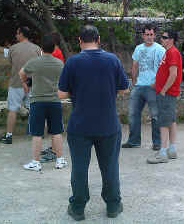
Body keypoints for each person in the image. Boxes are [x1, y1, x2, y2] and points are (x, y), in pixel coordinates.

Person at [58, 25, 129, 221]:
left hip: (80, 125)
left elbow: (62, 93)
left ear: (79, 41)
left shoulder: (72, 62)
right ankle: (113, 206)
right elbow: (124, 88)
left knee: (79, 168)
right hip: (108, 125)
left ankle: (78, 208)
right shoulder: (112, 60)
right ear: (98, 39)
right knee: (110, 167)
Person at [19, 35, 68, 171]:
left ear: (41, 48)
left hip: (37, 101)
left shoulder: (34, 62)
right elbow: (64, 81)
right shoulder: (59, 63)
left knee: (37, 133)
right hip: (54, 101)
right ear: (53, 49)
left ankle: (35, 162)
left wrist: (25, 82)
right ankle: (60, 160)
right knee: (57, 131)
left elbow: (21, 73)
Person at [0, 26, 42, 144]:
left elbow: (7, 57)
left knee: (12, 110)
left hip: (16, 83)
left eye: (17, 33)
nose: (16, 36)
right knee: (34, 108)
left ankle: (9, 136)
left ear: (22, 34)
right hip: (33, 84)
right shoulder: (37, 49)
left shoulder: (13, 49)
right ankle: (38, 133)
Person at [122, 24, 165, 151]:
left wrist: (157, 83)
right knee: (132, 114)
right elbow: (135, 65)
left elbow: (164, 69)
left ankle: (157, 142)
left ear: (154, 35)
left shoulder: (160, 49)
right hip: (139, 86)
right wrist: (134, 82)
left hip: (153, 86)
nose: (149, 37)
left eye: (151, 34)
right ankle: (134, 141)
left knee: (155, 115)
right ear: (143, 35)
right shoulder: (138, 48)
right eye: (147, 34)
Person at [147, 30, 182, 164]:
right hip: (166, 92)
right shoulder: (169, 52)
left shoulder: (172, 52)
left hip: (166, 93)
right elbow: (165, 72)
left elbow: (173, 74)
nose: (162, 39)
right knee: (171, 120)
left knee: (163, 122)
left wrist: (163, 90)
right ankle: (171, 149)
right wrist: (156, 84)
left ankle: (163, 152)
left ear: (171, 39)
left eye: (165, 37)